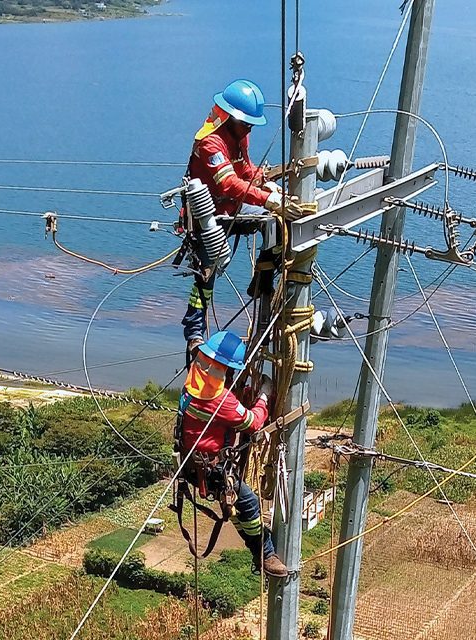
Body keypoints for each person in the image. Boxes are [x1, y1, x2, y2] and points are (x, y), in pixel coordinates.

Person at [181, 79, 291, 358]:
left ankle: (263, 279)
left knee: (277, 226)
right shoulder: (210, 143)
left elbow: (244, 169)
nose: (250, 128)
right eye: (246, 123)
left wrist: (265, 184)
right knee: (205, 277)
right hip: (208, 217)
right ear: (230, 117)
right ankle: (194, 334)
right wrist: (265, 198)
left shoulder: (239, 134)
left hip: (233, 209)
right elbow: (227, 183)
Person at [177, 330, 289, 577]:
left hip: (193, 466)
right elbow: (253, 422)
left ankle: (255, 543)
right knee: (248, 504)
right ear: (227, 370)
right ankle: (265, 554)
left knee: (237, 507)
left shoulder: (192, 383)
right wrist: (264, 396)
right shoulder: (219, 401)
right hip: (212, 471)